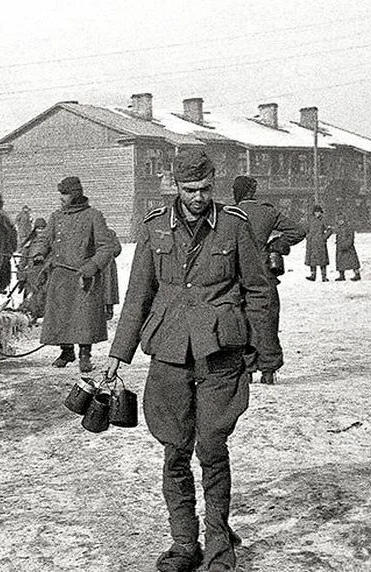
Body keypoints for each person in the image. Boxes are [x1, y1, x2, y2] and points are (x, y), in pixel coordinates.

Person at [106, 149, 272, 572]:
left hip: (221, 352)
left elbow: (259, 290)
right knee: (175, 449)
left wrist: (266, 353)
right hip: (170, 352)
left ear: (213, 184)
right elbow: (138, 294)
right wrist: (117, 354)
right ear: (174, 186)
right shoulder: (154, 227)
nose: (197, 197)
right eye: (188, 189)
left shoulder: (234, 226)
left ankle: (219, 545)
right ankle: (184, 543)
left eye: (204, 189)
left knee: (212, 446)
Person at [32, 176, 120, 373]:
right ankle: (66, 352)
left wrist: (92, 266)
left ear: (76, 194)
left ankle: (84, 355)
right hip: (60, 277)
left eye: (65, 194)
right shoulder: (56, 217)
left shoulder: (94, 216)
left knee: (84, 318)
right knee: (61, 315)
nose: (61, 198)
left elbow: (107, 247)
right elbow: (44, 238)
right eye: (60, 194)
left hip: (84, 277)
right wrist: (38, 253)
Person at [232, 175, 306, 385]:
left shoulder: (230, 214)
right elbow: (298, 231)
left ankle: (246, 369)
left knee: (240, 319)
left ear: (237, 192)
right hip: (264, 272)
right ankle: (269, 369)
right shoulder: (267, 211)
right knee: (267, 319)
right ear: (252, 192)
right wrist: (277, 245)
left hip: (237, 274)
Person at [16, 217, 49, 321]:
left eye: (43, 228)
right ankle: (31, 314)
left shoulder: (49, 242)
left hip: (44, 273)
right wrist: (21, 273)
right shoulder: (29, 244)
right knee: (30, 295)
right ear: (35, 229)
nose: (41, 231)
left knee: (43, 295)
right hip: (31, 274)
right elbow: (22, 261)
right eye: (38, 228)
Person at [304, 205, 332, 282]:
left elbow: (329, 230)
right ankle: (313, 275)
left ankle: (324, 276)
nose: (317, 213)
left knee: (322, 260)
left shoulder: (323, 220)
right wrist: (307, 236)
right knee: (312, 260)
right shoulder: (310, 220)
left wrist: (324, 238)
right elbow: (306, 229)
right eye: (316, 212)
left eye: (319, 212)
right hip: (311, 243)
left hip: (320, 243)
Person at [334, 211, 361, 281]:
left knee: (353, 262)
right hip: (340, 247)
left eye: (341, 220)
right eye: (339, 220)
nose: (340, 222)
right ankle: (341, 275)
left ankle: (357, 274)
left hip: (348, 247)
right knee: (340, 262)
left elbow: (351, 237)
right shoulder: (338, 228)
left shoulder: (348, 227)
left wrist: (347, 244)